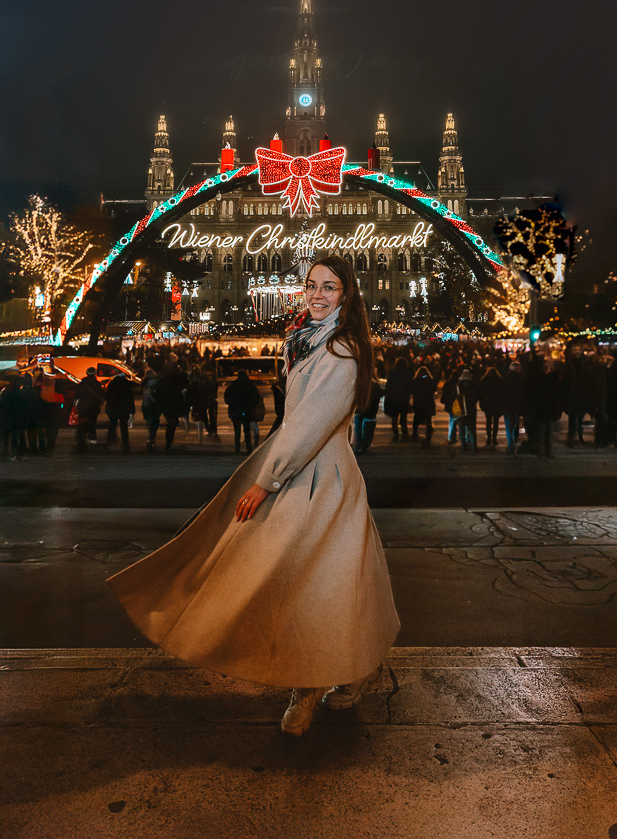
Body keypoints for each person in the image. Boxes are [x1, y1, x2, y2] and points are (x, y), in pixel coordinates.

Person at [107, 255, 399, 738]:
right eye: (311, 285)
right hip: (306, 473)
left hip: (318, 479)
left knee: (313, 583)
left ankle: (309, 685)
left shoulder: (340, 352)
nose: (317, 294)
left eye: (329, 286)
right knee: (324, 581)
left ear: (347, 293)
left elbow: (307, 425)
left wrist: (268, 480)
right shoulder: (308, 342)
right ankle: (333, 675)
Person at [224, 370, 261, 453]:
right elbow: (256, 398)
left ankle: (237, 448)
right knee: (247, 430)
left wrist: (232, 405)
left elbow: (227, 398)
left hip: (235, 411)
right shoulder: (250, 385)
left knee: (237, 431)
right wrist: (250, 408)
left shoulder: (233, 385)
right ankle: (249, 448)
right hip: (246, 411)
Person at [74, 367, 104, 453]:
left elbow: (76, 395)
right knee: (92, 421)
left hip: (83, 405)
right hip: (94, 406)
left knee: (82, 421)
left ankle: (81, 437)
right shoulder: (97, 384)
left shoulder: (82, 383)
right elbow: (101, 394)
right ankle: (92, 435)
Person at [105, 371, 135, 452]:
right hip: (124, 408)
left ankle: (110, 438)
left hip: (113, 407)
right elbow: (130, 397)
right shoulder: (127, 384)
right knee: (124, 426)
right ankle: (125, 442)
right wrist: (132, 409)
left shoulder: (112, 384)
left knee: (112, 423)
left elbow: (108, 396)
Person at [383, 357, 411, 441]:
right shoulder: (408, 375)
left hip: (393, 399)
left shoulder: (392, 374)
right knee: (403, 418)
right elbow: (410, 388)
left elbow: (388, 387)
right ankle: (404, 433)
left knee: (394, 418)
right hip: (403, 399)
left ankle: (395, 433)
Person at [353, 376, 382, 454]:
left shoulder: (358, 383)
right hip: (371, 410)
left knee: (358, 426)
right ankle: (365, 445)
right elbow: (377, 398)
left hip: (359, 409)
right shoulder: (375, 385)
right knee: (369, 427)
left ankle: (359, 445)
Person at [411, 365, 437, 446]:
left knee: (416, 419)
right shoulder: (430, 380)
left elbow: (412, 390)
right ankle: (428, 435)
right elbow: (434, 389)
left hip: (419, 402)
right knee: (428, 419)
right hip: (428, 402)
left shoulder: (416, 381)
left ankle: (415, 433)